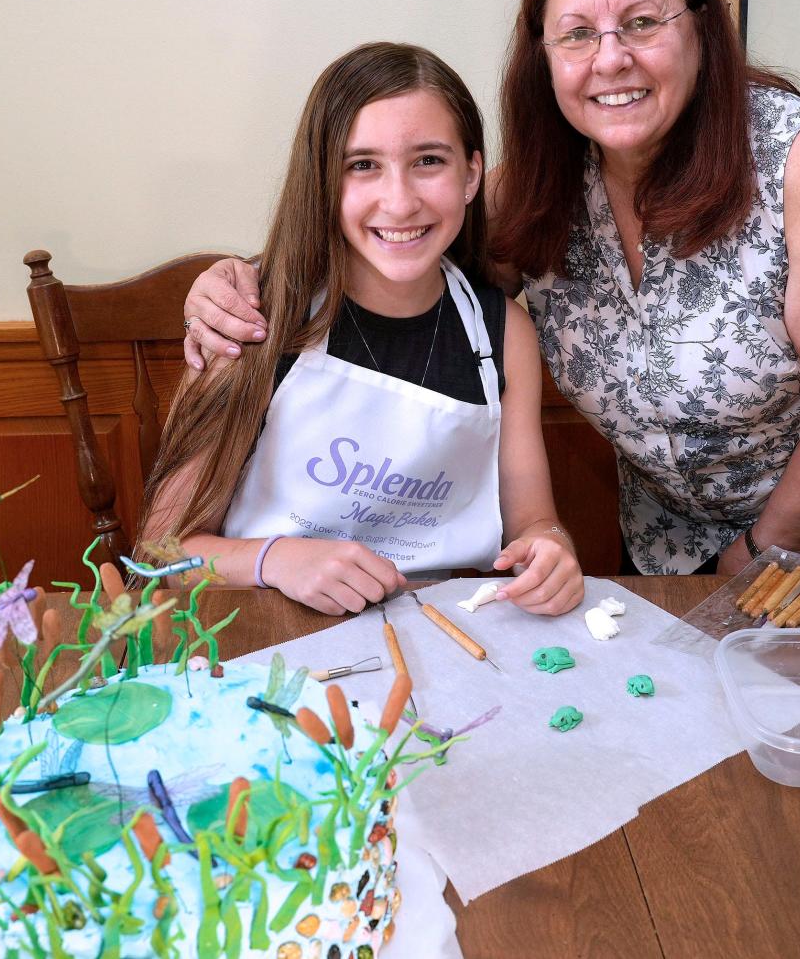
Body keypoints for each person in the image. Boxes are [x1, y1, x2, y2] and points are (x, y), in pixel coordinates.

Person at [178, 0, 800, 578]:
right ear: (544, 59)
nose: (611, 57)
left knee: (776, 688)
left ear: (703, 30)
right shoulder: (536, 185)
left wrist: (750, 560)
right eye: (577, 33)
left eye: (643, 23)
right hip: (665, 507)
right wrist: (236, 285)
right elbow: (392, 250)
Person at [139, 42, 582, 615]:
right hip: (263, 627)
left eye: (429, 160)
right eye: (363, 165)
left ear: (471, 175)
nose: (399, 202)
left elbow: (536, 524)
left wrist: (552, 551)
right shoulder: (248, 320)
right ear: (324, 181)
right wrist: (276, 558)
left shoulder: (504, 334)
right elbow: (159, 550)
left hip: (438, 632)